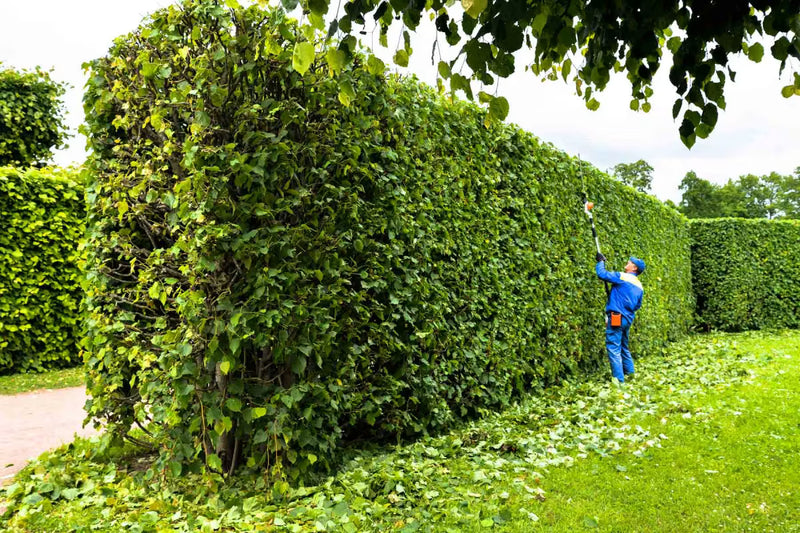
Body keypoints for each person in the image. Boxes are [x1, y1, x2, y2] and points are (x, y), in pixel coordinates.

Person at [595, 254, 645, 384]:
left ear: (634, 267)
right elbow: (637, 305)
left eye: (629, 262)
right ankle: (631, 375)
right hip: (627, 319)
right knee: (623, 346)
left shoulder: (623, 277)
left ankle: (619, 382)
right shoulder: (639, 286)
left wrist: (600, 262)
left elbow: (602, 274)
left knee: (613, 347)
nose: (627, 263)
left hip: (616, 317)